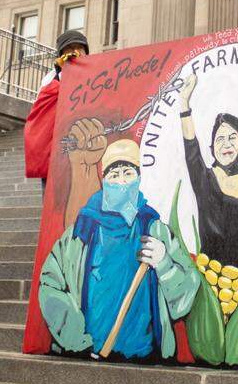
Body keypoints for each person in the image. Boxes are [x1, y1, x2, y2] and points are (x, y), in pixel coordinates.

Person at [37, 137, 199, 360]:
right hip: (91, 351)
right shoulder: (81, 231)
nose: (122, 182)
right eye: (114, 174)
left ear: (139, 178)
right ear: (104, 181)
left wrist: (164, 264)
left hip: (145, 355)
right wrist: (76, 340)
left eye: (128, 173)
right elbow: (50, 283)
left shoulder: (155, 230)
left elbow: (186, 296)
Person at [178, 73, 238, 273]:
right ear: (212, 147)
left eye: (233, 137)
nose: (227, 144)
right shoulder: (204, 179)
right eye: (220, 139)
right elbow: (191, 148)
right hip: (211, 279)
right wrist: (184, 104)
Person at [24, 30, 89, 197]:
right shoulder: (51, 79)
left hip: (85, 146)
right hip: (57, 148)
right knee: (53, 200)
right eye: (69, 49)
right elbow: (43, 109)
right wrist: (62, 72)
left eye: (78, 48)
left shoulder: (95, 72)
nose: (74, 53)